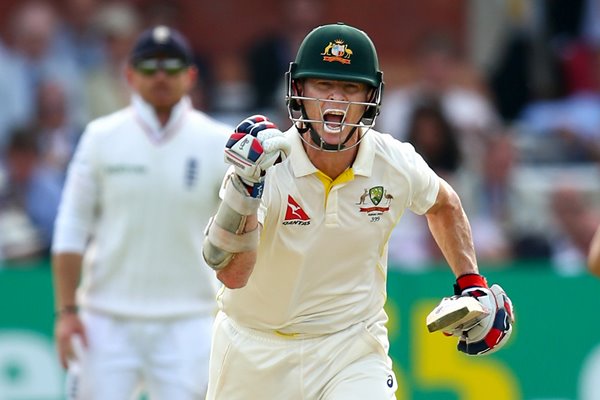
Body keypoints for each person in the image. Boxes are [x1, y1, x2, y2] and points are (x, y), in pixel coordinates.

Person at [202, 22, 515, 399]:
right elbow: (233, 276)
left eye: (350, 88)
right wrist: (247, 191)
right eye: (324, 85)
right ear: (299, 91)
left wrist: (471, 283)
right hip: (254, 350)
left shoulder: (393, 161)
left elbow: (444, 204)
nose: (336, 101)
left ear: (371, 95)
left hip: (350, 348)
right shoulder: (265, 164)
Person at [51, 25, 231, 399]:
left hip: (191, 320)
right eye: (149, 67)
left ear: (191, 75)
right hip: (105, 320)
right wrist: (67, 312)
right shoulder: (100, 138)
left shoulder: (219, 142)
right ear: (130, 75)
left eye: (171, 66)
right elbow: (70, 227)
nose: (160, 76)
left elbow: (244, 233)